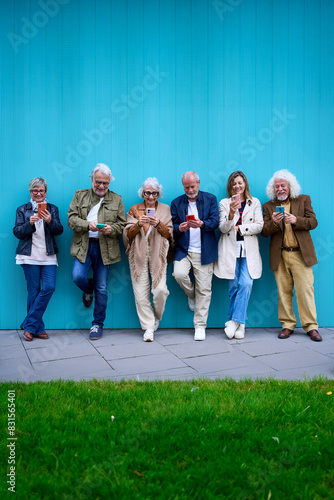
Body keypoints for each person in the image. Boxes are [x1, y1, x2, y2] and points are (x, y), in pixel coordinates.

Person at [68, 163, 126, 340]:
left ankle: (97, 325)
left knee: (102, 288)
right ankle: (88, 289)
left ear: (110, 182)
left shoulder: (117, 199)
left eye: (105, 183)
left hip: (105, 247)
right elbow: (71, 219)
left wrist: (112, 229)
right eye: (98, 182)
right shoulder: (80, 195)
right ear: (91, 179)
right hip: (84, 245)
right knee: (77, 276)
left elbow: (122, 224)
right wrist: (87, 225)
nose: (101, 186)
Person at [262, 169, 322, 341]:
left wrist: (296, 220)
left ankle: (311, 327)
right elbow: (264, 232)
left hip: (300, 254)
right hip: (280, 255)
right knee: (283, 292)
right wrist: (274, 222)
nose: (280, 189)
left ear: (290, 186)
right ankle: (287, 325)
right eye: (276, 186)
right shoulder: (268, 206)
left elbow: (313, 222)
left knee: (305, 291)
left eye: (283, 185)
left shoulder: (304, 200)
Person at [214, 171, 263, 339]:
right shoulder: (224, 203)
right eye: (234, 183)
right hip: (230, 249)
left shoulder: (254, 202)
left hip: (248, 249)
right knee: (234, 287)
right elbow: (222, 228)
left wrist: (241, 228)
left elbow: (259, 226)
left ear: (245, 184)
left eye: (240, 183)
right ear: (230, 186)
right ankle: (240, 326)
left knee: (246, 283)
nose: (237, 186)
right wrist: (230, 215)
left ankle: (234, 321)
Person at [123, 178, 173, 342]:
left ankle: (156, 316)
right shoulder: (135, 209)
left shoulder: (165, 209)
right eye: (147, 193)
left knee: (160, 290)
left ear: (158, 194)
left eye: (154, 193)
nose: (150, 197)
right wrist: (138, 224)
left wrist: (158, 223)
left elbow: (169, 234)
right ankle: (148, 328)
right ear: (142, 193)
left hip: (158, 255)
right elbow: (127, 235)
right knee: (141, 295)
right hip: (138, 254)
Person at [13, 177, 63, 341]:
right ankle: (36, 327)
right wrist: (30, 223)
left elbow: (59, 230)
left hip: (48, 256)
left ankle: (28, 323)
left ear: (45, 192)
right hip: (29, 256)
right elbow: (18, 232)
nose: (38, 193)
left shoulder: (52, 209)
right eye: (35, 191)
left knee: (49, 287)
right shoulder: (22, 209)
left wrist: (49, 221)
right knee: (33, 291)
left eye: (41, 190)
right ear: (30, 192)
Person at [171, 171, 219, 341]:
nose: (190, 190)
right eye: (186, 187)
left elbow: (215, 222)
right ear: (183, 186)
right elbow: (173, 226)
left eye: (192, 186)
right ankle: (192, 295)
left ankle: (200, 326)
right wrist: (180, 228)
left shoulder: (210, 199)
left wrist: (202, 224)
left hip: (204, 251)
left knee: (205, 290)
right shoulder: (176, 202)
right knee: (179, 274)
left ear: (198, 183)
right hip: (184, 249)